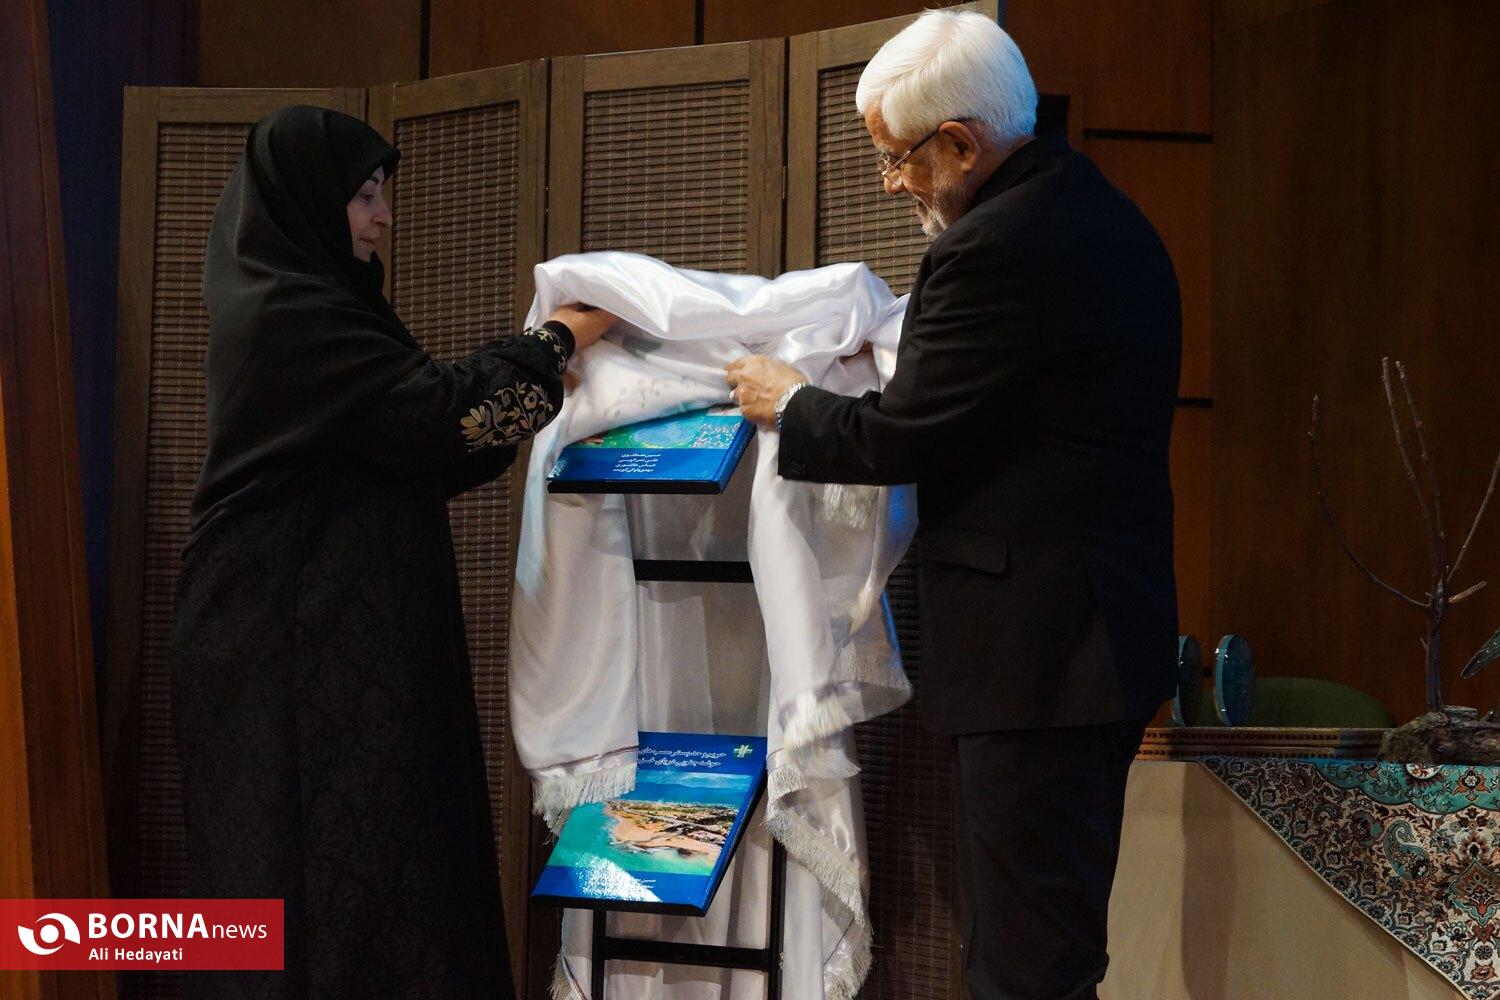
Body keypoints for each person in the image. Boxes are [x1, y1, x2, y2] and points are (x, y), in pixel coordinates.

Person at [725, 11, 1180, 999]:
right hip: (1094, 639)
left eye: (899, 159)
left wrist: (790, 402)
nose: (894, 185)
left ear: (962, 144)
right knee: (1047, 950)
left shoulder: (993, 250)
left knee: (1024, 968)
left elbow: (904, 435)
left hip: (1041, 660)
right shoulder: (1103, 212)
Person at [169, 105, 615, 999]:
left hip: (335, 631)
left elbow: (424, 442)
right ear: (306, 201)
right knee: (311, 868)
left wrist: (533, 372)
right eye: (363, 195)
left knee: (381, 863)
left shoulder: (328, 307)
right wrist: (559, 336)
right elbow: (442, 411)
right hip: (286, 644)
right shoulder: (288, 315)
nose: (382, 216)